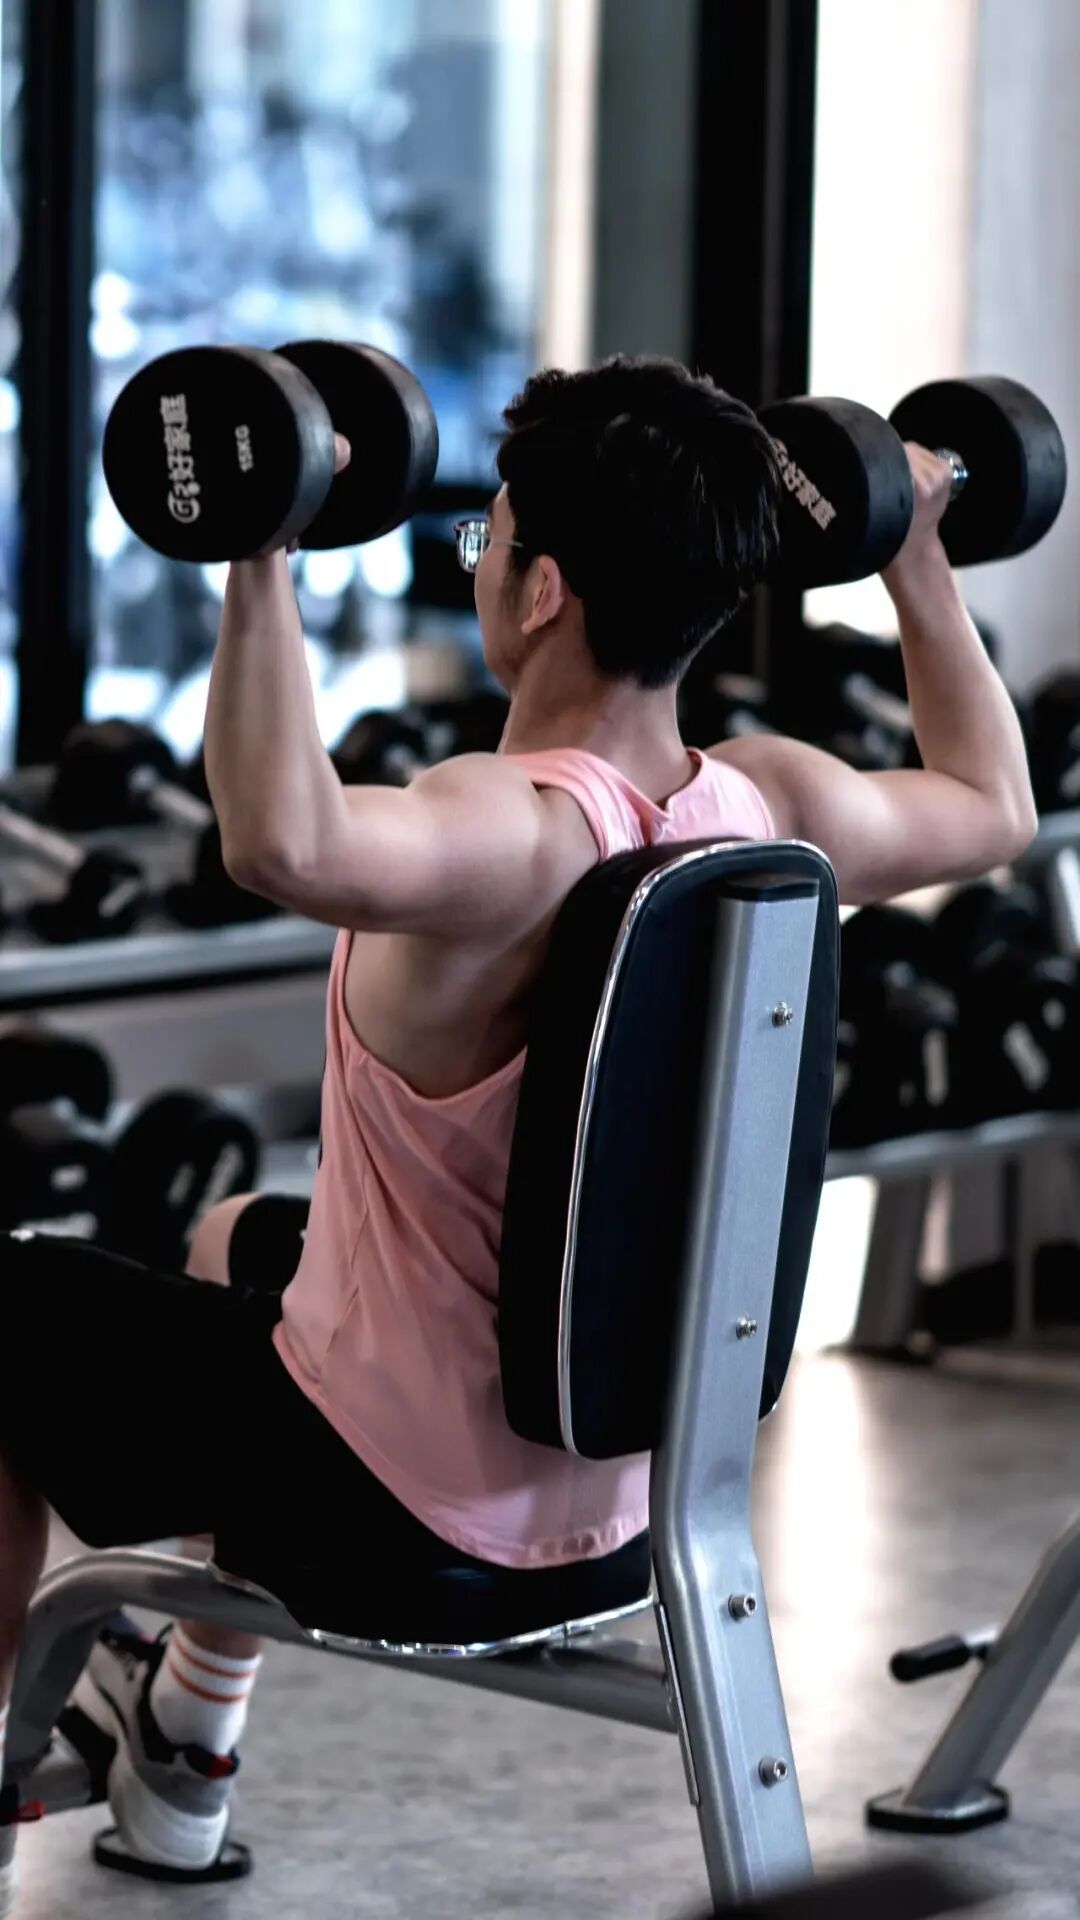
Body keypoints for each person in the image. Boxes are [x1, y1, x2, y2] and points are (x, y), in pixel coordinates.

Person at [0, 355, 1036, 1905]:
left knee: (13, 1295)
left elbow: (278, 838)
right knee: (234, 1239)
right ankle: (184, 1764)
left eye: (488, 537)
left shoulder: (506, 829)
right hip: (642, 1502)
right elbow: (993, 803)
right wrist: (916, 556)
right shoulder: (768, 807)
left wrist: (259, 548)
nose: (478, 560)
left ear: (541, 591)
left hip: (397, 1506)